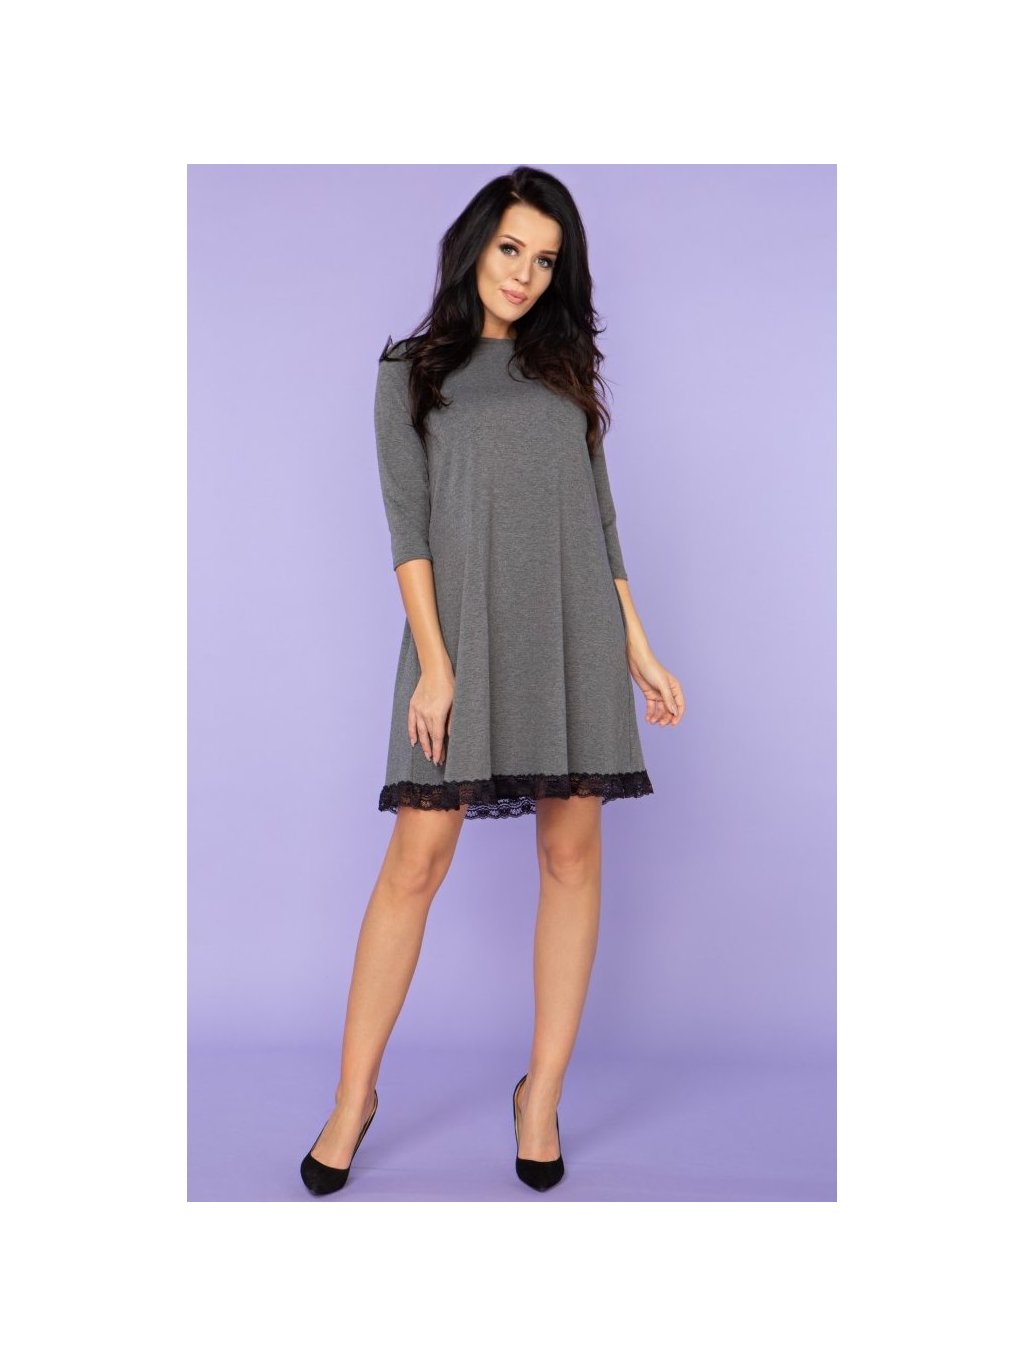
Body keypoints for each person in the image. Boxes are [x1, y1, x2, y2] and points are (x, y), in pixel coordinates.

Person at [301, 166, 685, 1196]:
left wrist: (638, 647)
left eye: (546, 260)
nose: (524, 274)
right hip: (460, 637)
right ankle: (352, 1099)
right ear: (475, 245)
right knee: (415, 862)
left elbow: (600, 524)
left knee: (571, 855)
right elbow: (408, 527)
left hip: (570, 631)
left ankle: (540, 1097)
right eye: (511, 248)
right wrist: (435, 665)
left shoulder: (564, 376)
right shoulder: (410, 371)